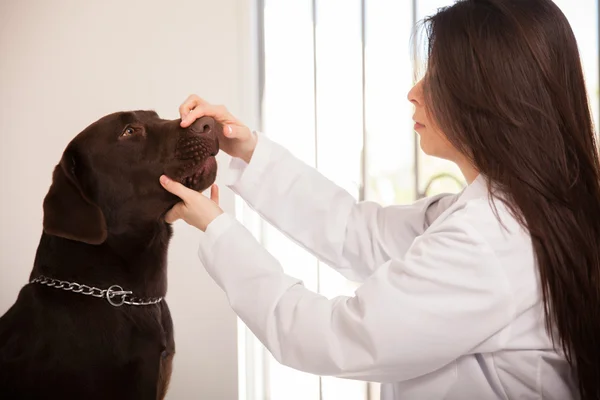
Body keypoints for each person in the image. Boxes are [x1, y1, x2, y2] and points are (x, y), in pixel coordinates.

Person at [159, 0, 600, 398]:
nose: (414, 92)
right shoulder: (505, 213)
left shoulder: (491, 240)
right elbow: (356, 231)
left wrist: (217, 229)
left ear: (489, 96)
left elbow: (334, 339)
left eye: (437, 77)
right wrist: (245, 151)